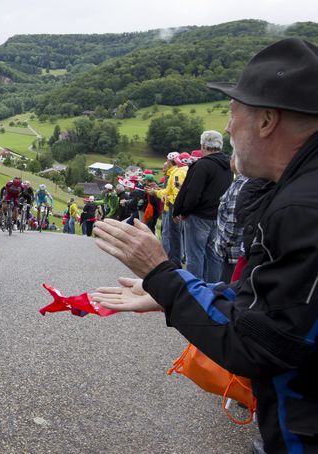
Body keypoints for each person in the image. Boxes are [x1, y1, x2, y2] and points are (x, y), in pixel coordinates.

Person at [92, 38, 318, 453]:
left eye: (233, 114)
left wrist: (162, 274)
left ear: (267, 120)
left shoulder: (302, 209)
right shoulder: (296, 191)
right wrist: (167, 291)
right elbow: (265, 300)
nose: (228, 129)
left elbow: (256, 342)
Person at [172, 131, 233, 282]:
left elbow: (191, 193)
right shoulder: (228, 166)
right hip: (217, 216)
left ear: (204, 145)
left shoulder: (202, 165)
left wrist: (182, 211)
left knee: (194, 255)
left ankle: (194, 289)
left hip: (199, 216)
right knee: (214, 255)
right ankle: (213, 287)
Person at [214, 154, 248, 283]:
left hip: (233, 253)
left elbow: (234, 220)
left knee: (228, 288)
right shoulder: (244, 181)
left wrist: (223, 243)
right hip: (237, 252)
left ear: (235, 161)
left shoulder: (240, 184)